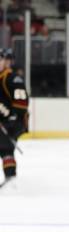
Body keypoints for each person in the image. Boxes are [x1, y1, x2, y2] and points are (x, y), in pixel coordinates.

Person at [0, 48, 29, 190]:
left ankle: (11, 179)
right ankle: (11, 178)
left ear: (8, 62)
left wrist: (11, 119)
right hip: (5, 122)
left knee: (5, 147)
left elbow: (21, 103)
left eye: (1, 59)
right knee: (5, 150)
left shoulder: (13, 79)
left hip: (14, 122)